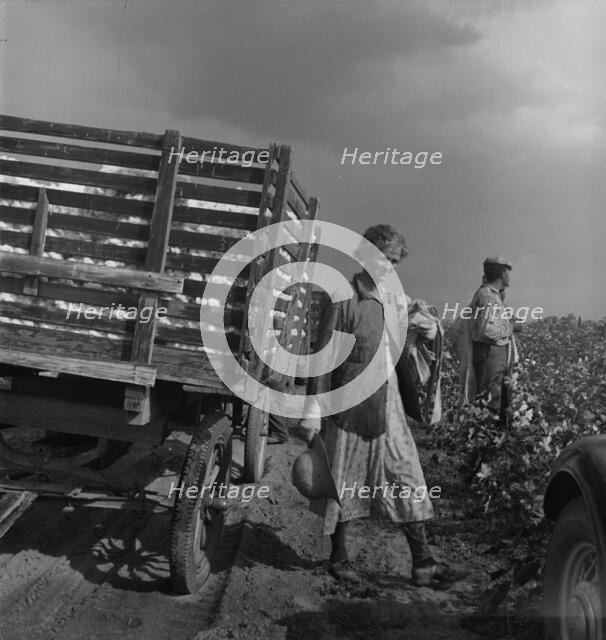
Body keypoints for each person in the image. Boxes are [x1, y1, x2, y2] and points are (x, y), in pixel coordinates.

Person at [296, 224, 465, 588]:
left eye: (393, 262)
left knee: (408, 477)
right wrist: (313, 410)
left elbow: (403, 347)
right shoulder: (344, 299)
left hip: (387, 404)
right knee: (345, 483)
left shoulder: (392, 301)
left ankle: (423, 564)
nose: (387, 267)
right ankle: (339, 559)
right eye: (382, 259)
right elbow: (322, 358)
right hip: (350, 407)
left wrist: (427, 330)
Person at [458, 256, 519, 422]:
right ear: (502, 274)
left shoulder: (491, 295)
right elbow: (486, 331)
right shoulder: (488, 297)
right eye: (508, 272)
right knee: (489, 399)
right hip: (490, 353)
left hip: (493, 353)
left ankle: (490, 437)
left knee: (495, 396)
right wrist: (510, 327)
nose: (509, 276)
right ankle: (483, 441)